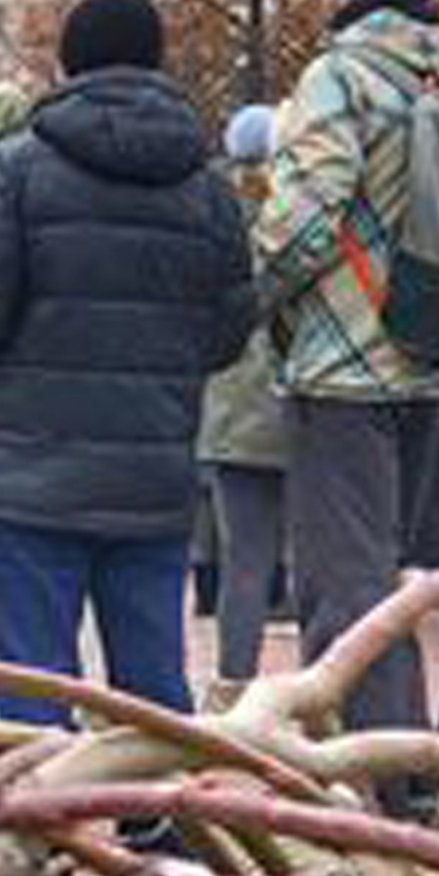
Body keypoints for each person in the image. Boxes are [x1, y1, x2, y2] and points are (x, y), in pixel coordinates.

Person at [0, 0, 255, 725]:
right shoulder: (207, 187)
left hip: (28, 467)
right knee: (151, 674)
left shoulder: (12, 170)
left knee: (32, 674)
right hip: (155, 465)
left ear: (67, 63)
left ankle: (48, 826)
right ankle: (156, 817)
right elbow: (232, 327)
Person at [259, 0, 439, 782]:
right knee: (393, 585)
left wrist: (254, 295)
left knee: (347, 593)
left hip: (344, 365)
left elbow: (304, 218)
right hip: (433, 350)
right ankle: (410, 770)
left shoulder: (338, 78)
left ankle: (376, 787)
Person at [197, 104, 288, 707]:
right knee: (318, 566)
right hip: (304, 400)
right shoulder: (305, 208)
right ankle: (323, 690)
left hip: (231, 408)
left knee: (244, 562)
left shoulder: (209, 212)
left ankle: (233, 687)